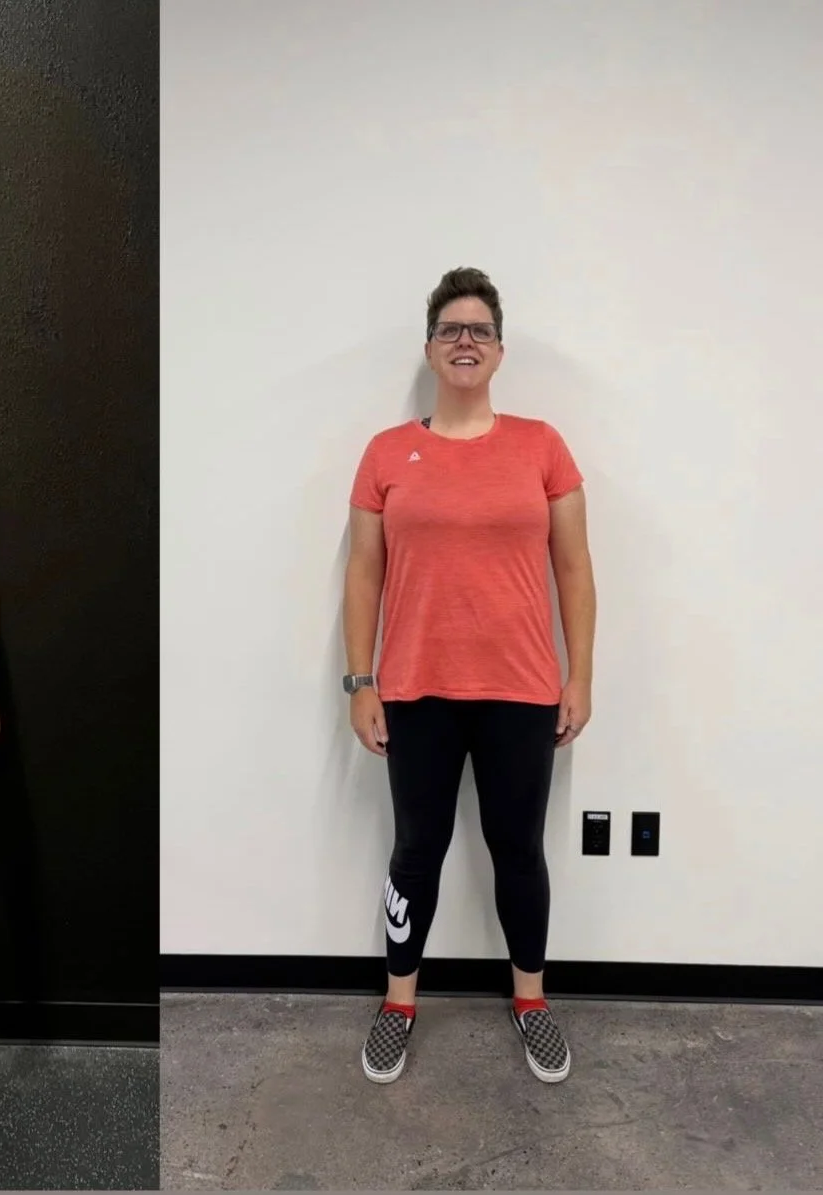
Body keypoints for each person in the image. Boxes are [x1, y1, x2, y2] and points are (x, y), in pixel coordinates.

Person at [343, 267, 595, 1086]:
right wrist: (360, 681)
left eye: (478, 329)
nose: (464, 340)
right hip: (416, 689)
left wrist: (580, 677)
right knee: (417, 850)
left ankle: (532, 1000)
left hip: (522, 690)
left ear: (498, 350)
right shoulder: (386, 453)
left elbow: (575, 568)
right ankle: (398, 1002)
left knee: (516, 848)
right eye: (450, 328)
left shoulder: (542, 444)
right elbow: (363, 574)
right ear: (429, 348)